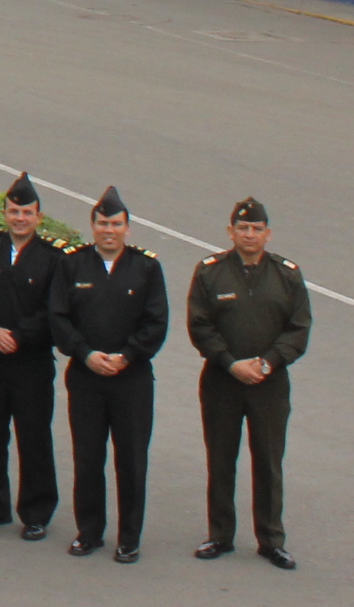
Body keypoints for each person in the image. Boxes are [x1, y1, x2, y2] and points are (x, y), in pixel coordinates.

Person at [189, 196, 310, 570]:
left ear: (268, 234)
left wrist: (269, 362)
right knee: (221, 460)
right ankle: (220, 535)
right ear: (231, 232)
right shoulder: (210, 272)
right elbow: (200, 325)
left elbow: (299, 328)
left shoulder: (287, 274)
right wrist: (230, 363)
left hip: (269, 385)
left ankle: (271, 539)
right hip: (222, 381)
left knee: (269, 463)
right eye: (243, 228)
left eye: (257, 229)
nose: (250, 235)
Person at [50, 184, 170, 562]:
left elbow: (157, 321)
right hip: (86, 378)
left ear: (127, 228)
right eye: (102, 223)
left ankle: (129, 537)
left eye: (116, 224)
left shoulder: (146, 268)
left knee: (131, 459)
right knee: (87, 458)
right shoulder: (72, 264)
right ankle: (89, 532)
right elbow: (58, 317)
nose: (108, 230)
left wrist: (127, 356)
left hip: (131, 380)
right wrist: (85, 354)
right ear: (92, 226)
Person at [0, 171, 64, 539]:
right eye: (13, 212)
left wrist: (21, 336)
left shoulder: (53, 258)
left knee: (33, 437)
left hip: (32, 362)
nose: (19, 219)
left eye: (27, 213)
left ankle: (36, 512)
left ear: (39, 216)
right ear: (4, 213)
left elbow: (55, 310)